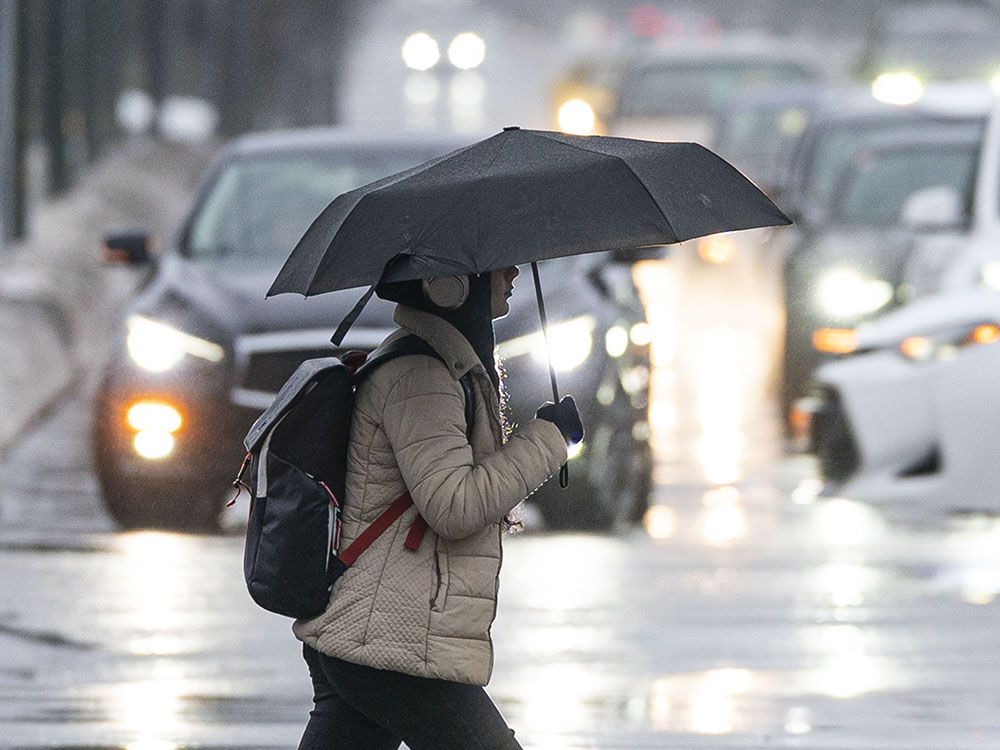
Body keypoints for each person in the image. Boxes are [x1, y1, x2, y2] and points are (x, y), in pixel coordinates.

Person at [295, 266, 584, 750]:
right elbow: (453, 505)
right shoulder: (419, 376)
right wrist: (548, 441)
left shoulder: (446, 368)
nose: (513, 271)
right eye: (497, 265)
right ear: (449, 283)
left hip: (382, 632)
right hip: (395, 638)